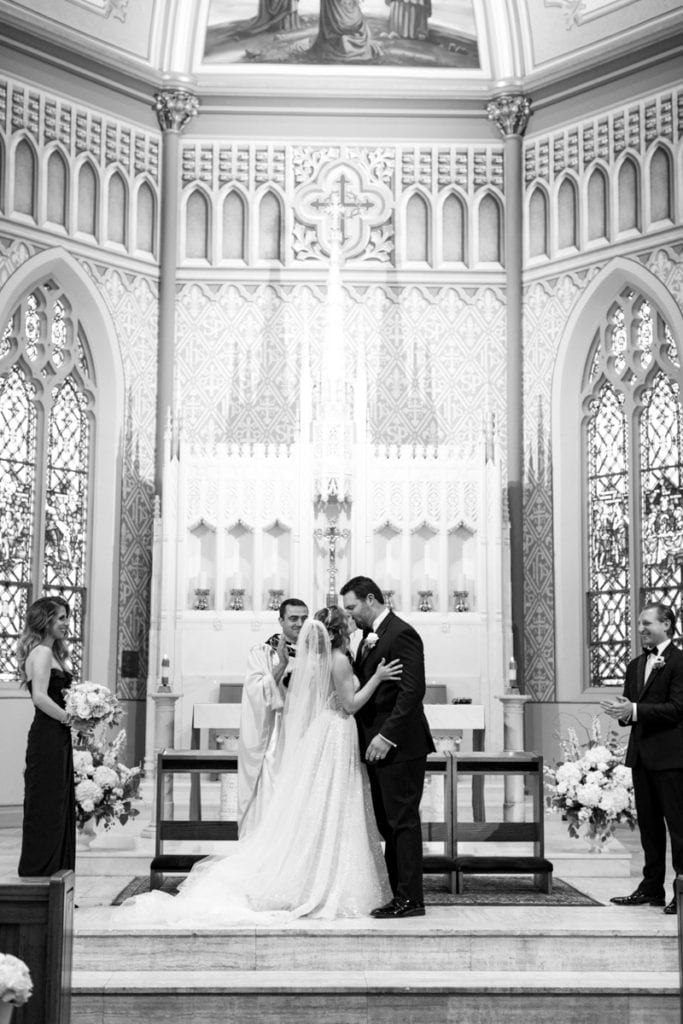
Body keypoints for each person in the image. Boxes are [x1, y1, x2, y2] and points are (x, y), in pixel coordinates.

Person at [116, 610, 401, 924]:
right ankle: (329, 877)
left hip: (325, 731)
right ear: (337, 632)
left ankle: (313, 872)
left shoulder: (315, 661)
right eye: (347, 623)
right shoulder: (339, 660)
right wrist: (377, 678)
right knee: (335, 805)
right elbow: (349, 705)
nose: (352, 626)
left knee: (323, 806)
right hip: (337, 732)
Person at [340, 575, 435, 918]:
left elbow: (412, 691)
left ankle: (411, 898)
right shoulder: (368, 637)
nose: (350, 615)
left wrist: (386, 736)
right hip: (376, 744)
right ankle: (399, 895)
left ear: (369, 599)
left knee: (402, 821)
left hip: (399, 744)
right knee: (387, 823)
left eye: (352, 607)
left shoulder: (402, 633)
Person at [602, 602, 683, 914]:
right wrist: (622, 711)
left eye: (646, 623)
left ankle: (681, 890)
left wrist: (633, 710)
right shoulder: (636, 664)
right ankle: (651, 888)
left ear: (666, 624)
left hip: (672, 758)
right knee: (649, 828)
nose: (640, 629)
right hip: (642, 757)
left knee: (678, 828)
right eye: (638, 623)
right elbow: (631, 710)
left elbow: (678, 709)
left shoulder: (679, 661)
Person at [17, 596, 84, 876]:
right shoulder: (43, 654)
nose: (66, 623)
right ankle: (42, 873)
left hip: (56, 735)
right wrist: (72, 719)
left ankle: (57, 877)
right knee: (47, 804)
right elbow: (40, 698)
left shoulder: (51, 652)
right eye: (60, 618)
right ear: (44, 621)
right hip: (48, 736)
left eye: (67, 617)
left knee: (58, 804)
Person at [237, 597, 308, 836]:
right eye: (293, 618)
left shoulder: (317, 652)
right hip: (277, 735)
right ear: (281, 620)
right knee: (275, 789)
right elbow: (255, 692)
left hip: (306, 732)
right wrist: (281, 665)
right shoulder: (263, 651)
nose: (299, 623)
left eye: (304, 618)